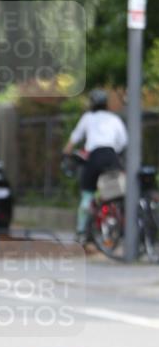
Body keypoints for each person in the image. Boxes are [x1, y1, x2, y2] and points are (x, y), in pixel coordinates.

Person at [62, 88, 128, 243]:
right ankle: (116, 224)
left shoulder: (88, 117)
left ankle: (81, 233)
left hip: (94, 157)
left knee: (87, 194)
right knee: (114, 193)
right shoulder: (114, 119)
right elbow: (124, 141)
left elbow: (74, 137)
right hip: (112, 157)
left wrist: (65, 154)